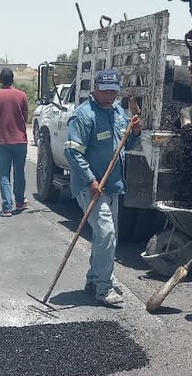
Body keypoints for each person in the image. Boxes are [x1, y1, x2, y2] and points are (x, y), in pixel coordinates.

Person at [63, 69, 142, 307]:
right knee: (106, 232)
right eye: (105, 92)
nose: (109, 97)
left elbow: (128, 145)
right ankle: (104, 287)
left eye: (113, 92)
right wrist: (90, 180)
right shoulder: (83, 116)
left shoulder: (119, 113)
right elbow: (72, 152)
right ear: (95, 88)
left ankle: (94, 278)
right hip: (90, 186)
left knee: (105, 235)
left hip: (112, 185)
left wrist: (135, 132)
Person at [0, 68, 29, 217]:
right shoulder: (22, 95)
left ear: (0, 80)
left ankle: (7, 207)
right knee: (19, 172)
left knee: (4, 175)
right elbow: (25, 117)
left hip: (3, 140)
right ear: (13, 79)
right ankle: (20, 202)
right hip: (20, 140)